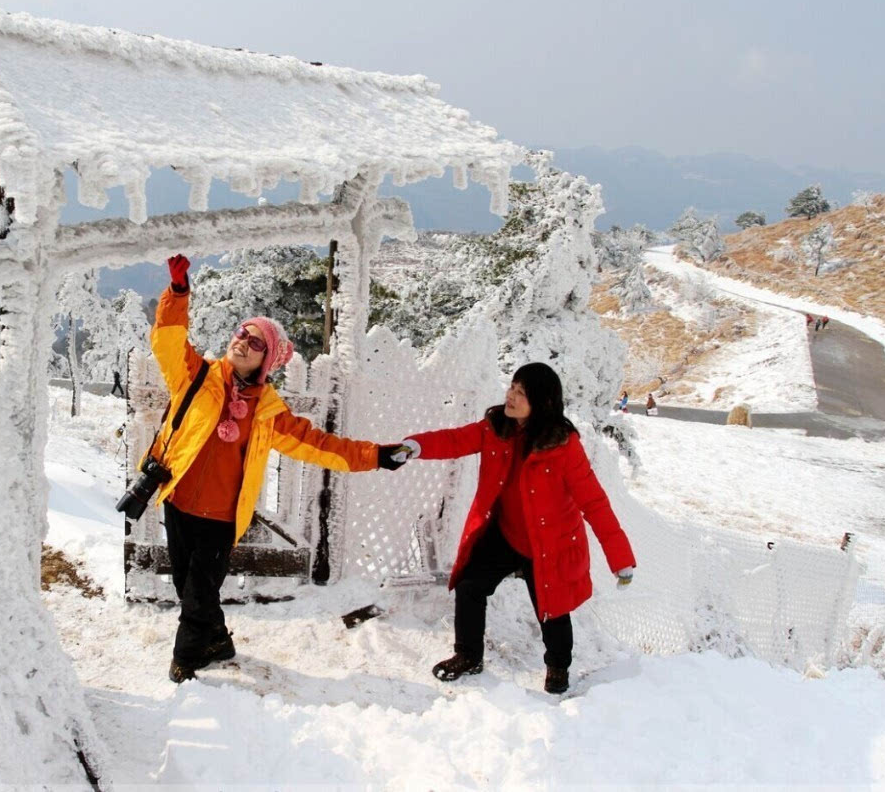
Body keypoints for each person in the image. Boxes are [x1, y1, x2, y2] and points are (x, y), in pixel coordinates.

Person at [149, 254, 407, 683]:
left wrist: (376, 455)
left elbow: (321, 446)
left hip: (220, 520)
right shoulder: (195, 376)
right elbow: (167, 340)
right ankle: (219, 641)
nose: (243, 343)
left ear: (265, 361)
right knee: (189, 589)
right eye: (241, 333)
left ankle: (187, 661)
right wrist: (178, 293)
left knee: (196, 595)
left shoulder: (268, 412)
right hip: (177, 503)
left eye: (255, 343)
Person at [388, 363, 636, 694]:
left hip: (549, 543)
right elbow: (455, 440)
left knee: (552, 610)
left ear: (543, 403)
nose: (511, 396)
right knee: (470, 586)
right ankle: (468, 655)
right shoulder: (496, 427)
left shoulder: (563, 446)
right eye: (512, 387)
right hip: (505, 534)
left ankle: (558, 668)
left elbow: (595, 503)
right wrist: (415, 446)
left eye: (521, 393)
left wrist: (620, 558)